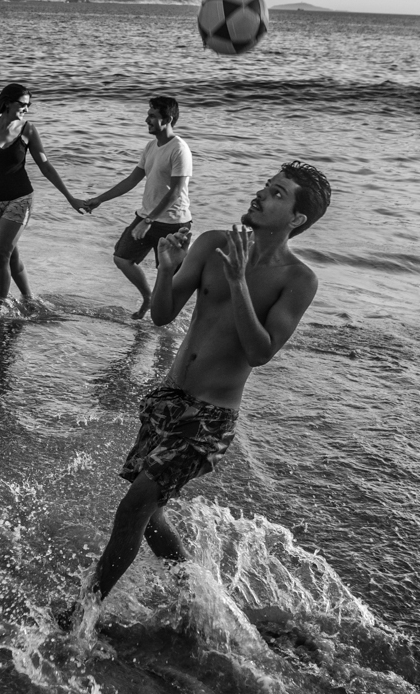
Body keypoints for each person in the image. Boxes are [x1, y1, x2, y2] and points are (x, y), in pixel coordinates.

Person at [67, 161, 330, 623]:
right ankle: (201, 604)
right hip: (167, 400)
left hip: (208, 417)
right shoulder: (212, 243)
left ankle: (80, 614)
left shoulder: (298, 279)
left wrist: (238, 283)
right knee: (148, 517)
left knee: (134, 507)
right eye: (266, 187)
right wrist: (167, 269)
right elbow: (163, 316)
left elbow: (260, 351)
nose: (261, 195)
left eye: (277, 194)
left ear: (297, 219)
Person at [0, 83, 87, 315]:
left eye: (29, 105)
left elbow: (45, 166)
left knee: (0, 252)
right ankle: (29, 299)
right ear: (6, 102)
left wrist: (70, 197)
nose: (26, 109)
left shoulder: (28, 130)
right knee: (9, 254)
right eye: (22, 104)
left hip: (20, 198)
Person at [86, 96, 193, 320]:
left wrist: (148, 221)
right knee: (122, 258)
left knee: (169, 280)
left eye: (152, 116)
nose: (147, 120)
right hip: (148, 217)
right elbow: (132, 180)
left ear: (168, 119)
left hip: (173, 223)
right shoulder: (151, 146)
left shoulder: (179, 149)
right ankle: (148, 297)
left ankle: (170, 326)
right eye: (148, 115)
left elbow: (175, 192)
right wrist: (100, 199)